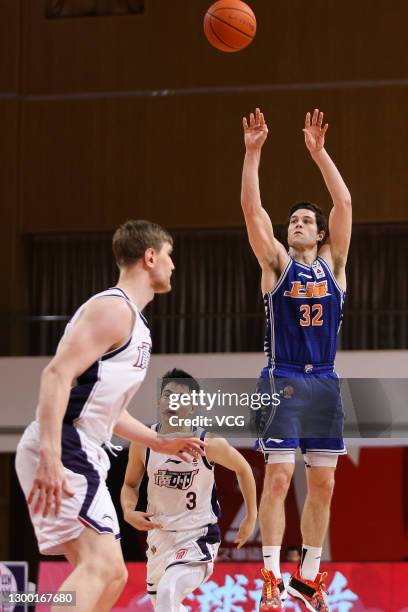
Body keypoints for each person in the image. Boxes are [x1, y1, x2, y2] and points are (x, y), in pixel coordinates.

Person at [15, 220, 207, 612]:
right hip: (67, 444)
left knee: (113, 573)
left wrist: (158, 441)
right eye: (169, 256)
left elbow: (109, 410)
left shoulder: (136, 323)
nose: (173, 266)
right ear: (150, 257)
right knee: (100, 567)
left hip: (81, 446)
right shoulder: (114, 309)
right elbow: (55, 375)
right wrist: (52, 456)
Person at [241, 108, 352, 611]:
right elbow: (251, 213)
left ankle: (307, 578)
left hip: (324, 383)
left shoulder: (334, 268)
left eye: (307, 220)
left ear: (321, 234)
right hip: (282, 378)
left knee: (323, 483)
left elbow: (344, 200)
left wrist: (319, 153)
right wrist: (253, 154)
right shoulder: (277, 266)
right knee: (280, 476)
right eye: (294, 220)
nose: (298, 223)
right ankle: (270, 577)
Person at [121, 368, 257, 612]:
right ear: (159, 401)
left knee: (167, 593)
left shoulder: (208, 442)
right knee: (164, 604)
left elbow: (244, 469)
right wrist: (129, 511)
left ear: (193, 407)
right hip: (159, 537)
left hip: (197, 535)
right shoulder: (143, 442)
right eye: (167, 394)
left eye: (180, 397)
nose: (172, 401)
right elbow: (130, 485)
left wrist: (251, 517)